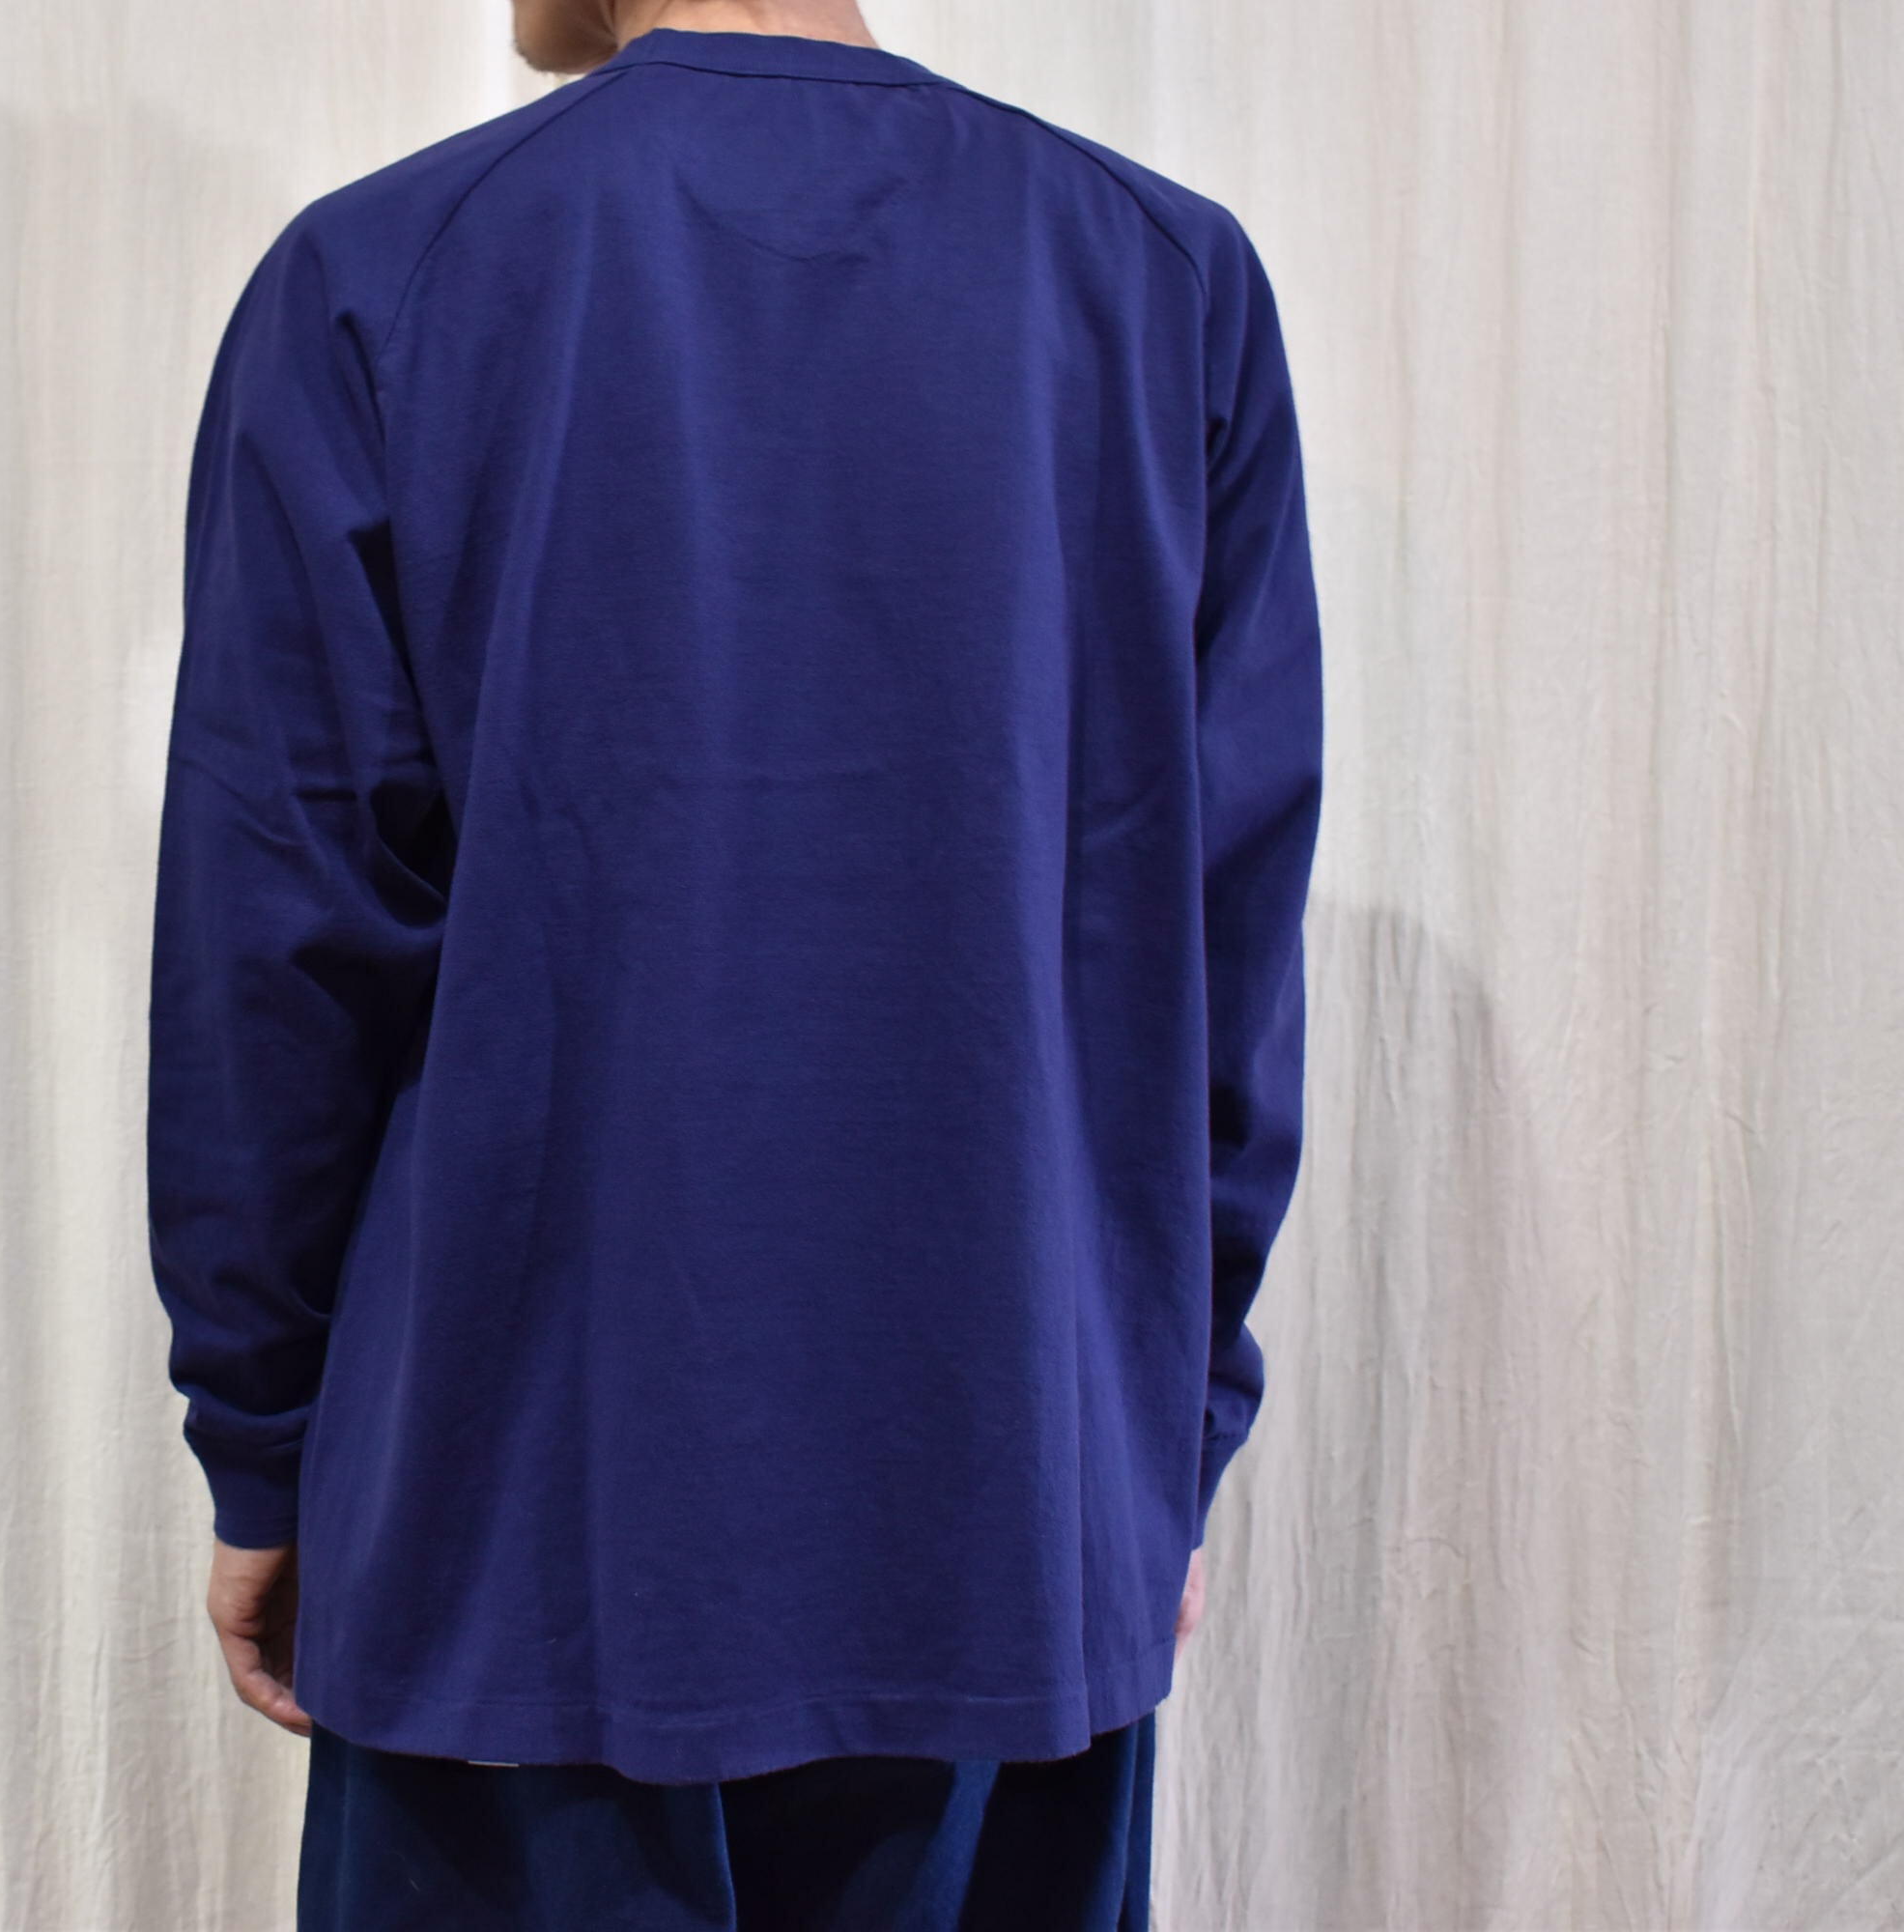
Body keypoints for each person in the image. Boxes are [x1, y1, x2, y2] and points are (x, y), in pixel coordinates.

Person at [144, 0, 1325, 1922]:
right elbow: (1221, 941)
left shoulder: (382, 279)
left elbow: (275, 947)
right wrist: (1153, 1439)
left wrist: (264, 1446)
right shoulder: (1161, 281)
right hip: (1001, 1513)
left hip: (518, 1532)